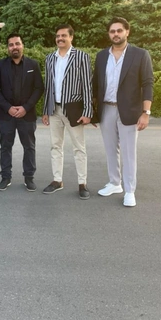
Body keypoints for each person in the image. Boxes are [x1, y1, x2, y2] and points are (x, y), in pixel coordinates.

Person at [93, 17, 154, 207]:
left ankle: (129, 191)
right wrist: (93, 112)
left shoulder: (140, 55)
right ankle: (114, 183)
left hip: (130, 111)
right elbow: (96, 85)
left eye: (119, 30)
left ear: (127, 32)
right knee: (110, 150)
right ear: (109, 34)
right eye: (112, 31)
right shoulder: (102, 56)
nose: (116, 34)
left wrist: (146, 112)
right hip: (106, 109)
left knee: (128, 153)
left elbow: (148, 84)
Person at [42, 24, 93, 199]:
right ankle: (57, 180)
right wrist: (45, 110)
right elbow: (48, 86)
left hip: (74, 110)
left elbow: (87, 86)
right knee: (55, 146)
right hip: (54, 109)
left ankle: (82, 183)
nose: (60, 38)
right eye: (58, 36)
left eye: (64, 35)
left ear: (71, 37)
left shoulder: (81, 57)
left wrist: (87, 111)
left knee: (79, 148)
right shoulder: (50, 58)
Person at [0, 33, 44, 192]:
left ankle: (29, 177)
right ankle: (5, 177)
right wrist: (8, 107)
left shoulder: (33, 64)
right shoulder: (0, 65)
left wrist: (25, 107)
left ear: (22, 46)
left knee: (29, 146)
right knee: (5, 147)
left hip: (27, 114)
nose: (14, 47)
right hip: (6, 114)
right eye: (11, 44)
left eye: (17, 44)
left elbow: (39, 88)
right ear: (8, 48)